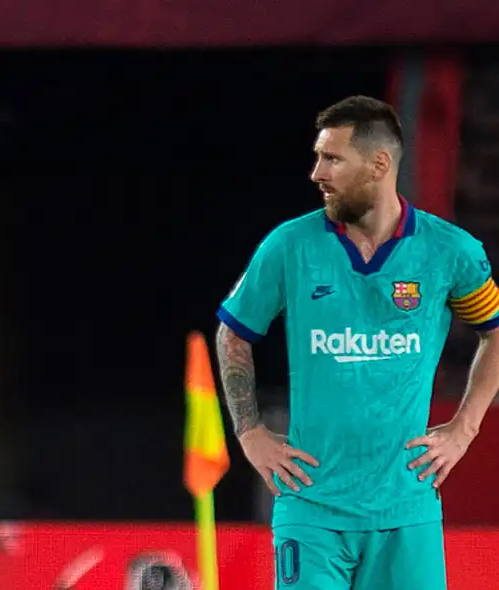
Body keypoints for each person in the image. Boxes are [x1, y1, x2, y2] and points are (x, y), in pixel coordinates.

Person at [214, 95, 499, 590]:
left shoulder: (450, 251)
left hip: (406, 510)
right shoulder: (290, 245)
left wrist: (464, 428)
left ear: (379, 163)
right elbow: (232, 334)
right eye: (318, 156)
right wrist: (249, 432)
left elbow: (495, 334)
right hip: (312, 506)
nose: (316, 173)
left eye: (332, 158)